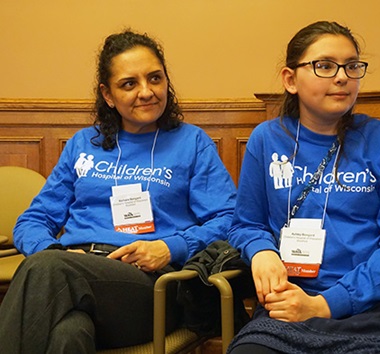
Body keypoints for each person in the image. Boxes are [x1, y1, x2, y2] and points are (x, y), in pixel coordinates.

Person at [0, 30, 236, 353]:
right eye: (129, 84)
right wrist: (56, 251)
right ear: (108, 95)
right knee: (68, 335)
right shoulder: (84, 145)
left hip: (151, 285)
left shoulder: (191, 143)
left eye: (155, 78)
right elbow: (33, 220)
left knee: (46, 268)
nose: (147, 92)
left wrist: (170, 247)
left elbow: (228, 219)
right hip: (72, 272)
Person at [227, 21, 380, 353]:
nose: (342, 76)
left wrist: (327, 304)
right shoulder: (266, 139)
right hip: (291, 302)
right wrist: (261, 252)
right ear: (290, 79)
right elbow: (246, 223)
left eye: (352, 66)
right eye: (325, 66)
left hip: (378, 306)